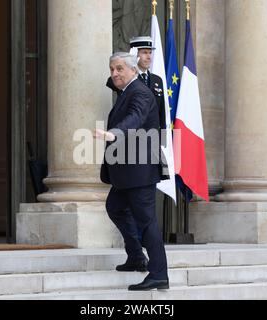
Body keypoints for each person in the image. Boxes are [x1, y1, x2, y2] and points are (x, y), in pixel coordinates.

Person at [94, 52, 169, 291]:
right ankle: (136, 256)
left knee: (147, 222)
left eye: (119, 69)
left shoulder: (141, 93)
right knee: (114, 207)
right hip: (126, 172)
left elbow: (135, 118)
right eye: (112, 69)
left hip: (140, 170)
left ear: (133, 70)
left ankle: (159, 274)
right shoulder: (126, 90)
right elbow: (118, 82)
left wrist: (115, 133)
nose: (115, 73)